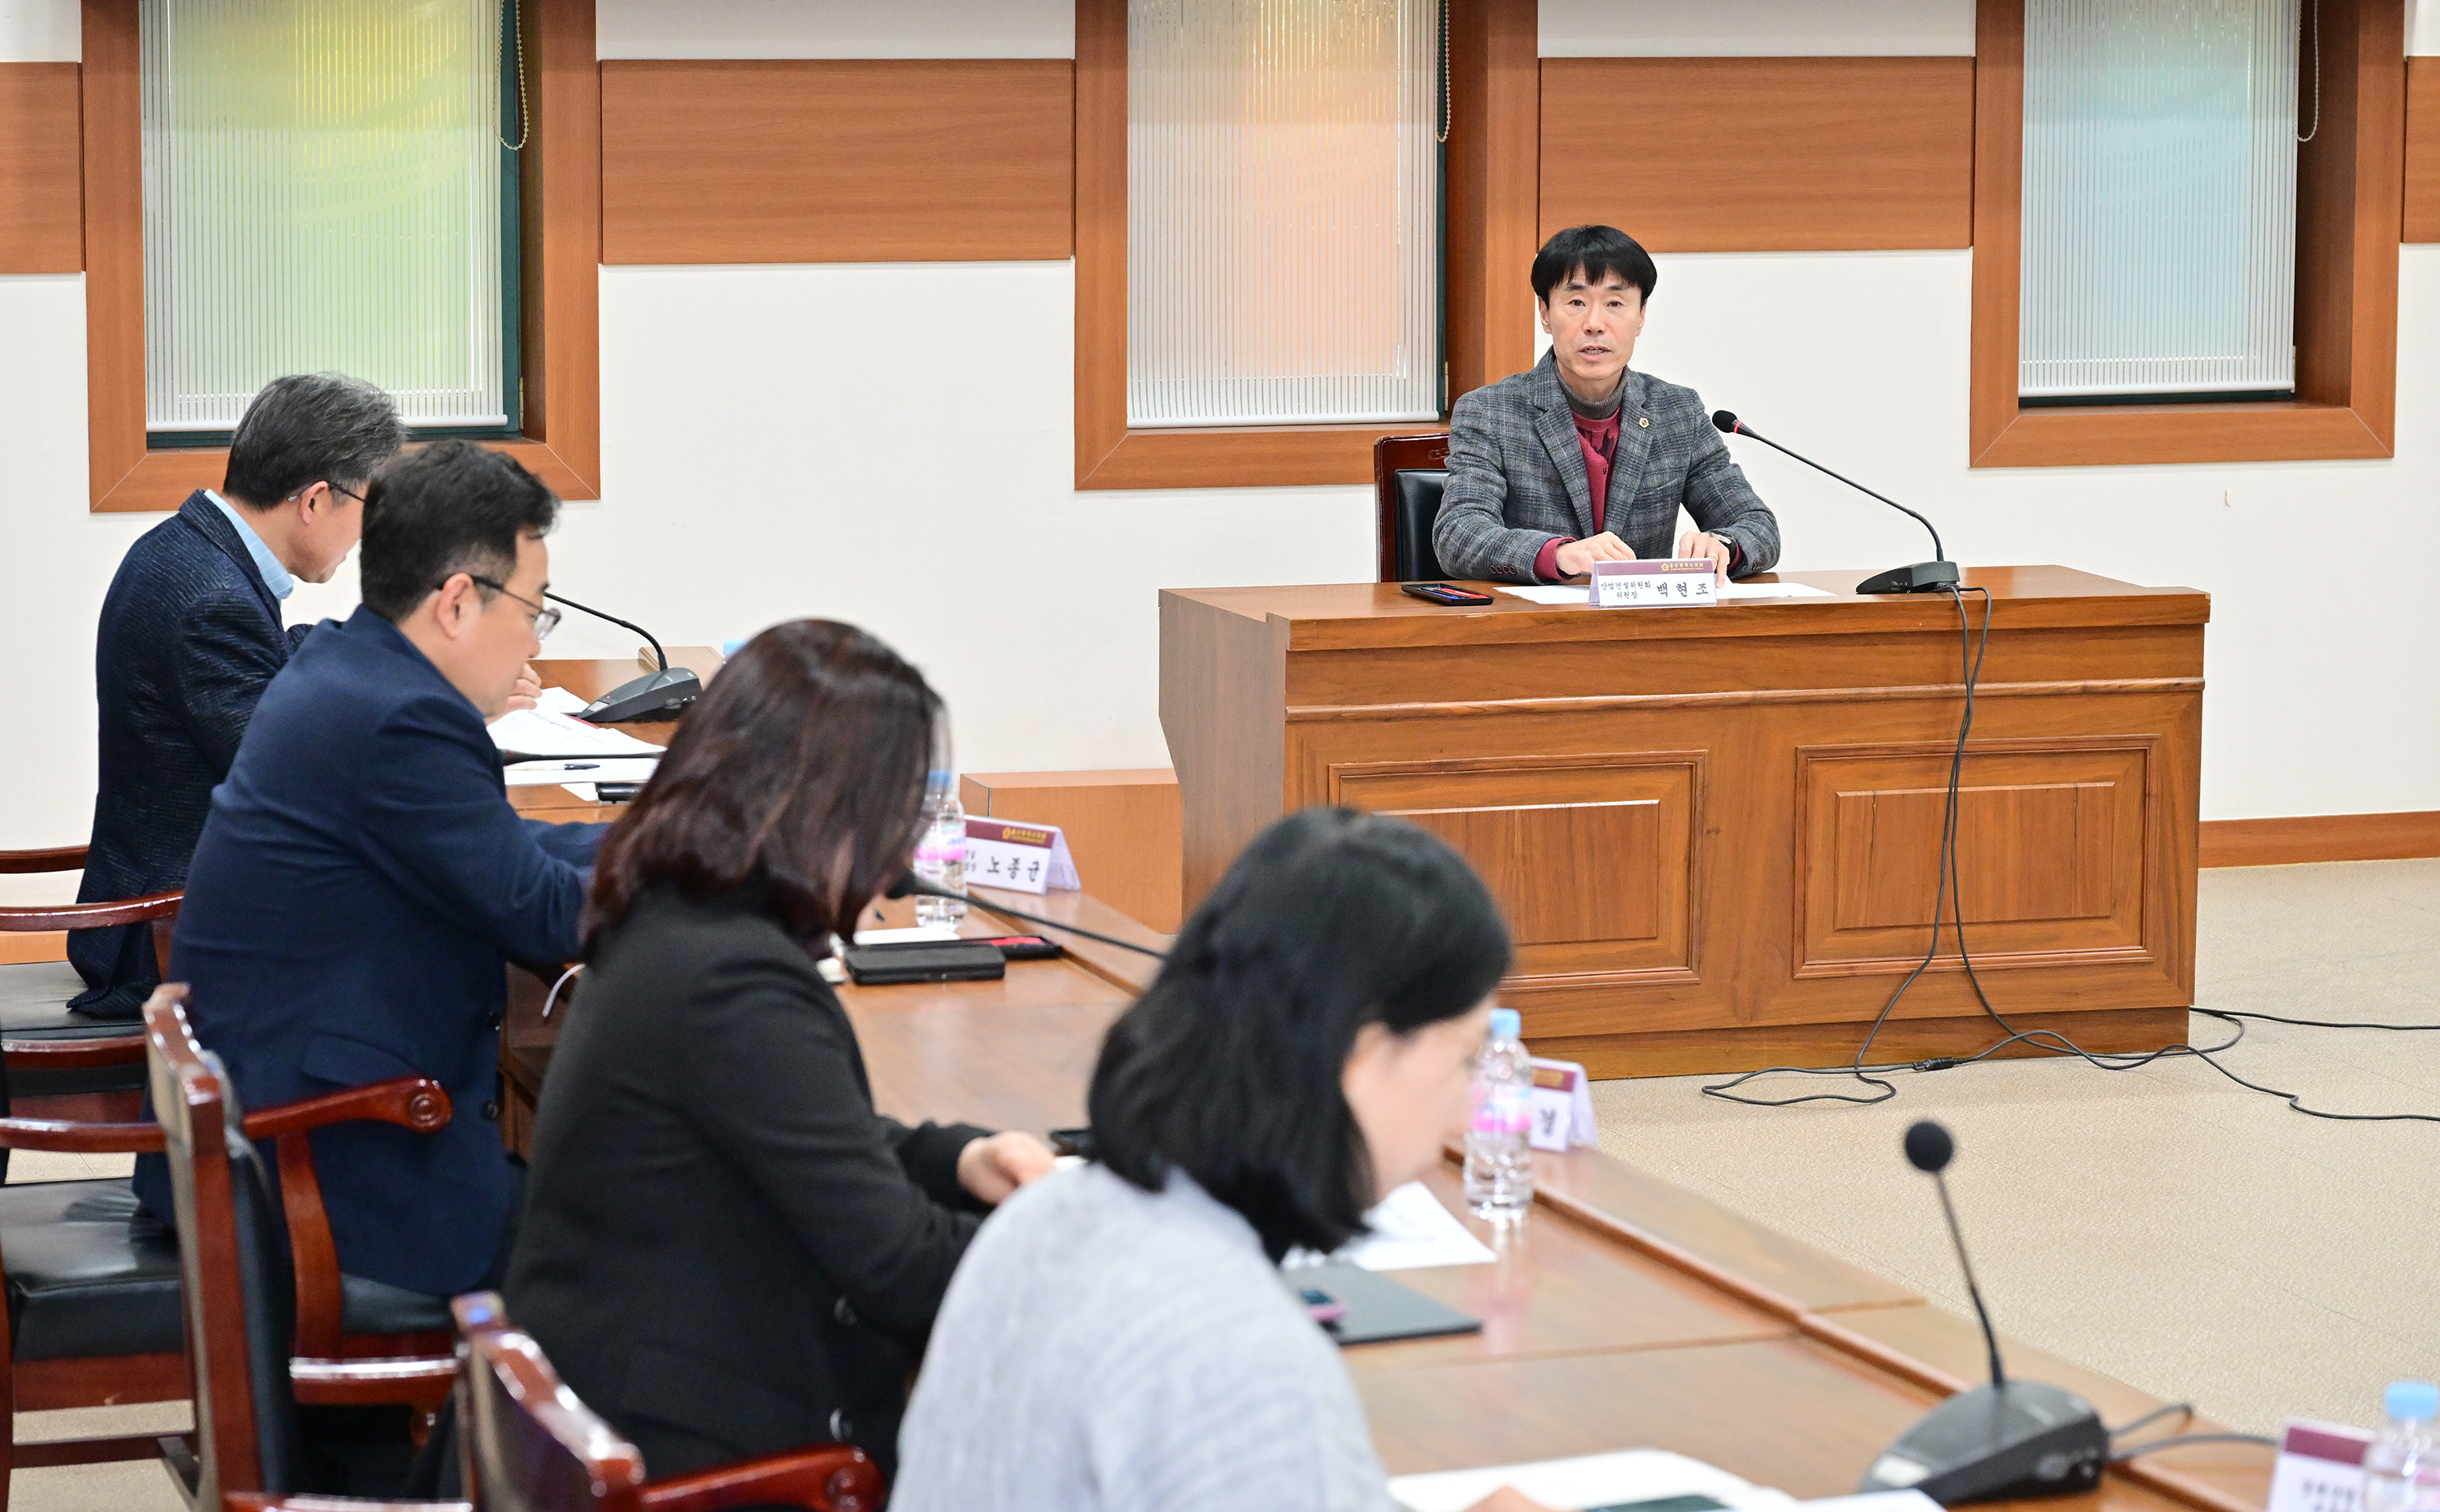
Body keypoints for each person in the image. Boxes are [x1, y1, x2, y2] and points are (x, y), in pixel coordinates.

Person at [504, 620, 1057, 1483]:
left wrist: (964, 1157)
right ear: (832, 817)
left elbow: (810, 1141)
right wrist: (1083, 1241)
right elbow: (898, 1267)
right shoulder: (732, 979)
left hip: (618, 1399)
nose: (900, 856)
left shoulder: (677, 917)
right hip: (699, 1452)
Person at [893, 808, 1553, 1512]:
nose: (1467, 1112)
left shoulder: (1046, 1216)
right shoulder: (1237, 1348)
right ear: (1358, 1052)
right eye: (1464, 1059)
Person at [132, 439, 601, 1303]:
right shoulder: (403, 720)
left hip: (285, 1129)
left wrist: (658, 840)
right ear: (458, 600)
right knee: (664, 1252)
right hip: (324, 1168)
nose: (535, 634)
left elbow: (498, 852)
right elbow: (544, 915)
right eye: (536, 608)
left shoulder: (349, 666)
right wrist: (715, 859)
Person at [68, 373, 404, 1021]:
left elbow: (270, 664)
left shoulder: (189, 549)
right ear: (314, 500)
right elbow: (292, 776)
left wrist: (397, 648)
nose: (369, 531)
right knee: (433, 941)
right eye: (370, 505)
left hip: (168, 894)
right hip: (164, 932)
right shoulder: (212, 599)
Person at [1432, 224, 1780, 587]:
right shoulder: (1491, 412)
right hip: (1535, 631)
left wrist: (1724, 544)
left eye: (1615, 304)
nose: (1594, 324)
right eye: (1576, 302)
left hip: (1641, 631)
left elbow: (1758, 525)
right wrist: (1559, 554)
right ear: (1545, 313)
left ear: (1641, 315)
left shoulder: (1676, 412)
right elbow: (1458, 534)